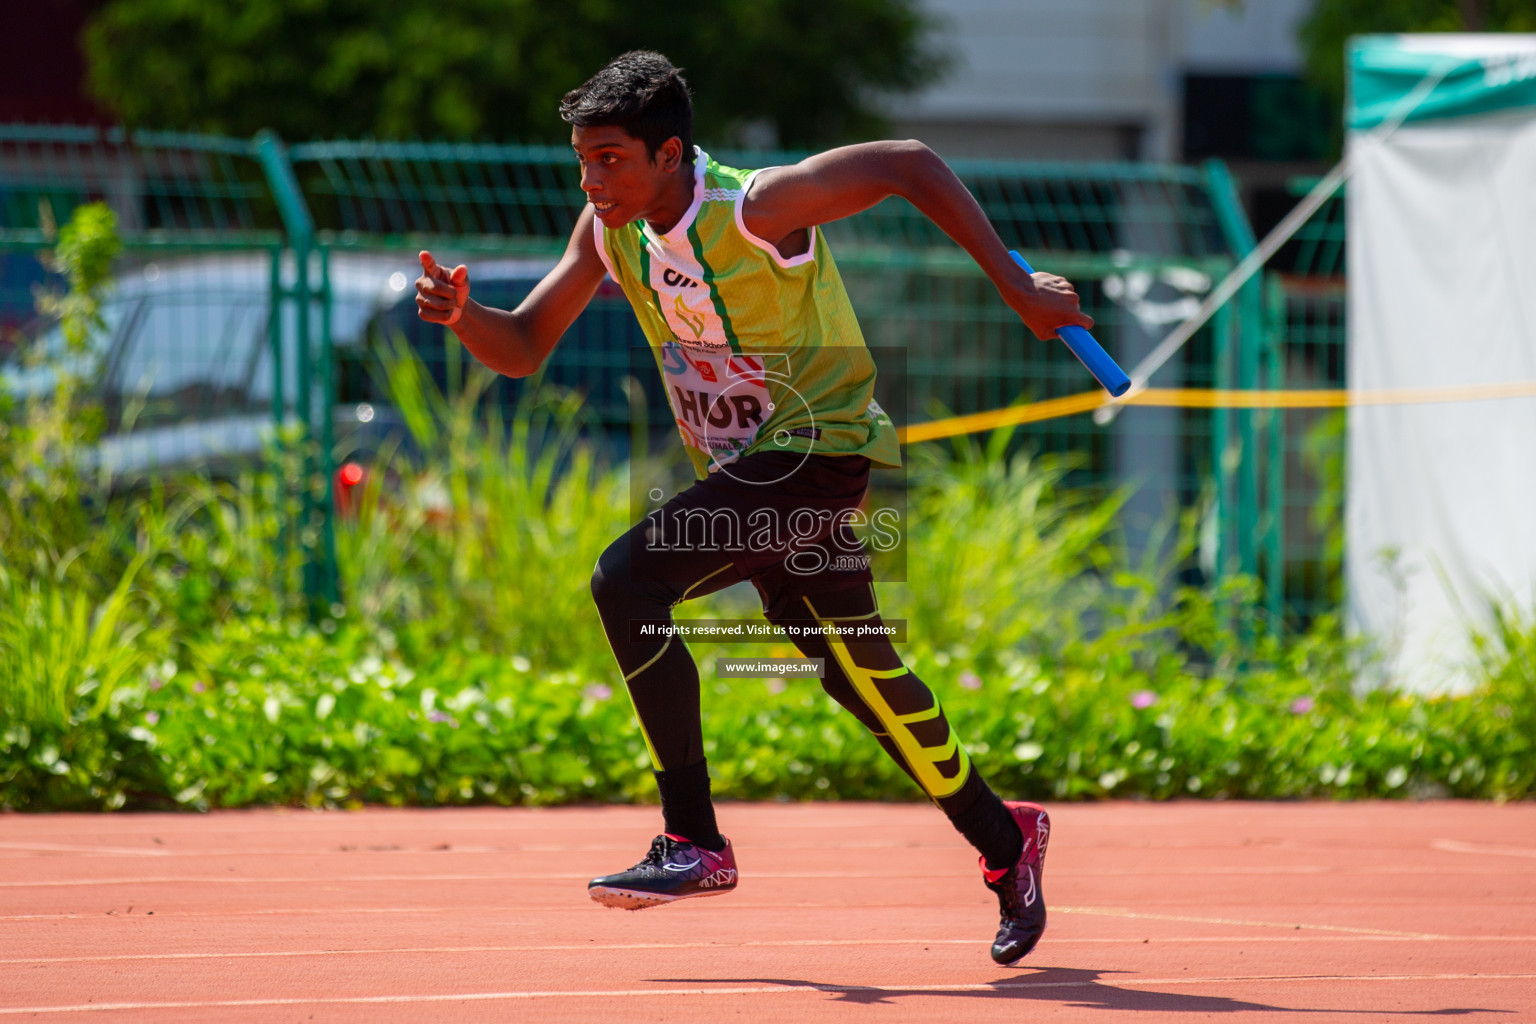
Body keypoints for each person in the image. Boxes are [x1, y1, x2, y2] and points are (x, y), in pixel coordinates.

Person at [415, 50, 1090, 966]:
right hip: (751, 476)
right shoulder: (609, 230)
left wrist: (1017, 289)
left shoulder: (755, 207)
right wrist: (462, 316)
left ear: (670, 152)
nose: (592, 180)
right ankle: (1007, 840)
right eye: (582, 161)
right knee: (861, 677)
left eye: (610, 159)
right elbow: (527, 343)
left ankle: (693, 836)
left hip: (817, 456)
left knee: (626, 582)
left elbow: (908, 162)